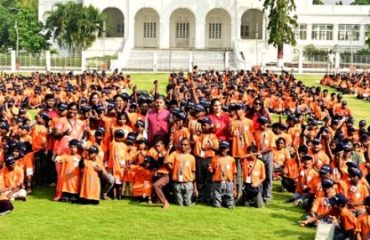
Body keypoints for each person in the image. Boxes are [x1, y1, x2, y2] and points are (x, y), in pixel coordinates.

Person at [166, 138, 197, 206]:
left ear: (189, 146)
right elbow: (166, 161)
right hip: (177, 183)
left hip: (188, 183)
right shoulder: (175, 154)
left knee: (188, 204)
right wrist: (168, 150)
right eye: (182, 144)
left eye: (185, 145)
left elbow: (193, 172)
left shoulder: (192, 158)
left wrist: (195, 187)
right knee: (179, 204)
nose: (183, 146)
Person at [209, 141, 237, 208]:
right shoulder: (214, 158)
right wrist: (210, 170)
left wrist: (234, 189)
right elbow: (212, 172)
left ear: (228, 149)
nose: (223, 150)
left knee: (230, 205)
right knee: (217, 205)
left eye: (224, 148)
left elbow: (234, 174)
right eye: (221, 148)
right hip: (217, 183)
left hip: (228, 183)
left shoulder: (231, 159)